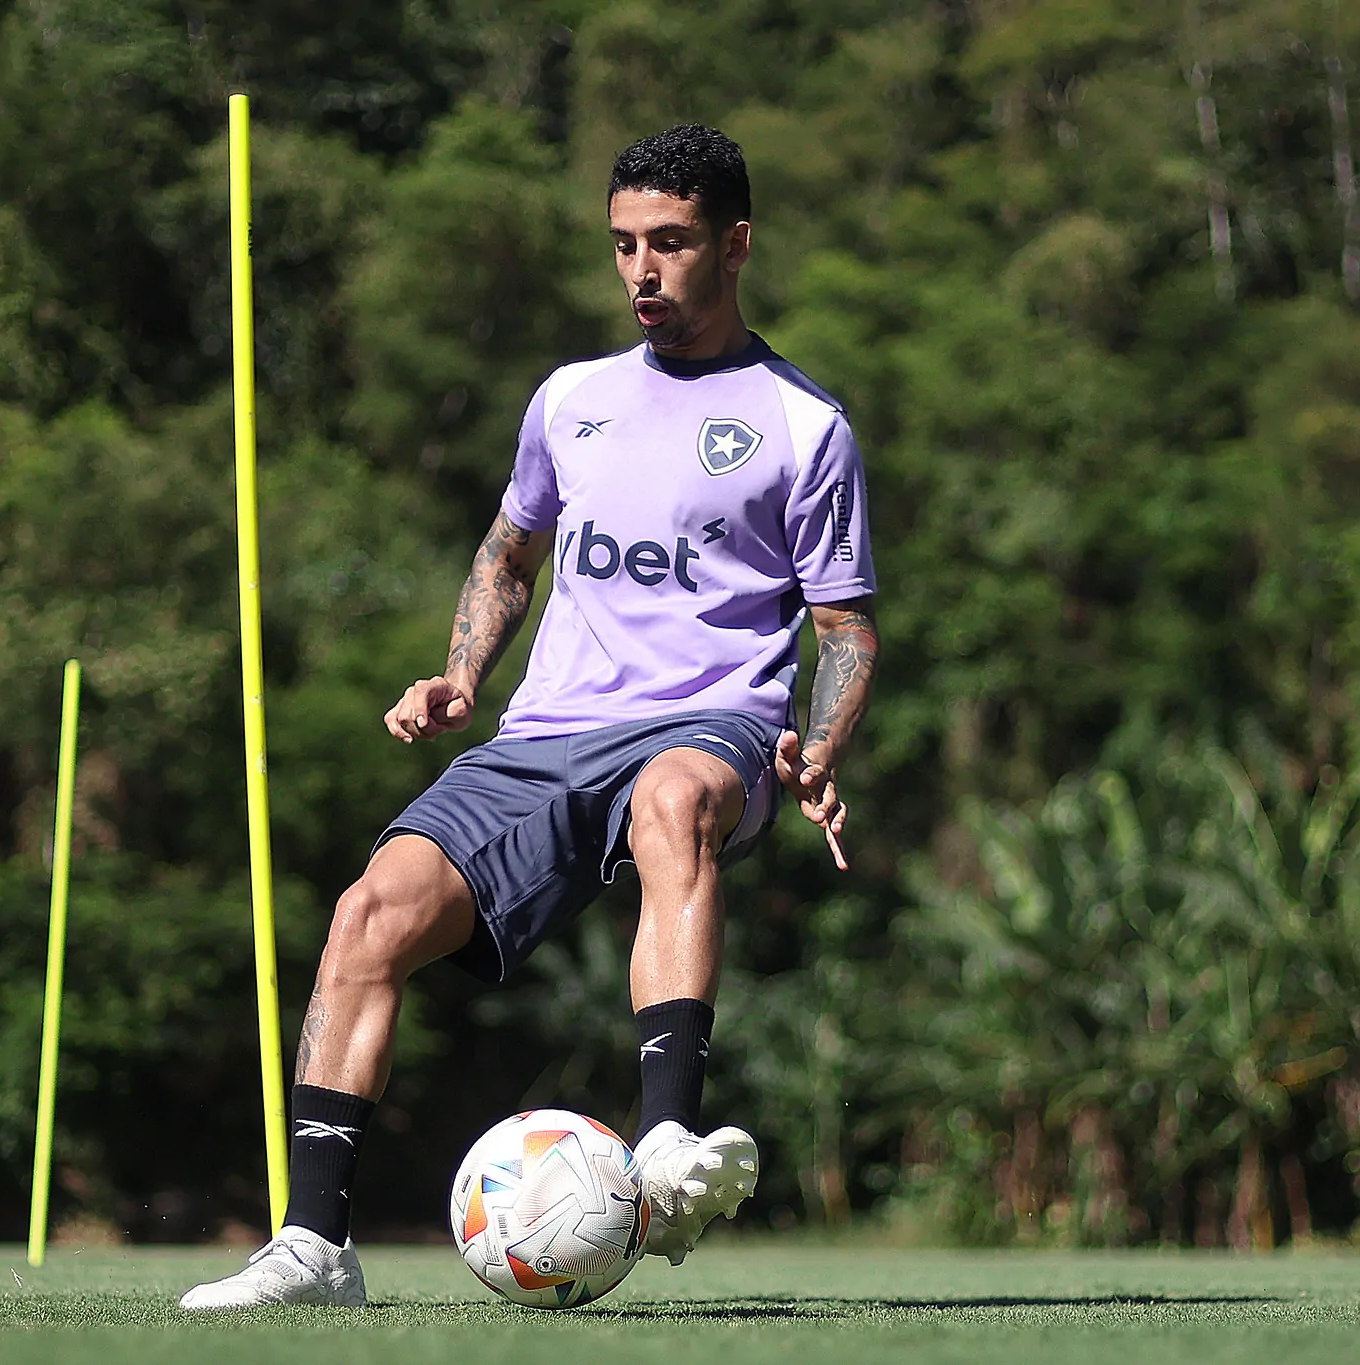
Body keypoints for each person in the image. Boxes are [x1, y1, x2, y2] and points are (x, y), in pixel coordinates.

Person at [181, 123, 879, 1310]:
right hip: (545, 732)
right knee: (369, 914)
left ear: (737, 243)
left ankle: (663, 1147)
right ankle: (311, 1248)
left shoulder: (803, 425)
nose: (641, 271)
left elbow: (843, 630)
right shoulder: (571, 400)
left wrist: (816, 747)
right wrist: (458, 675)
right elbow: (510, 551)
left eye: (669, 243)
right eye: (622, 247)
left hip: (707, 725)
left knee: (672, 802)